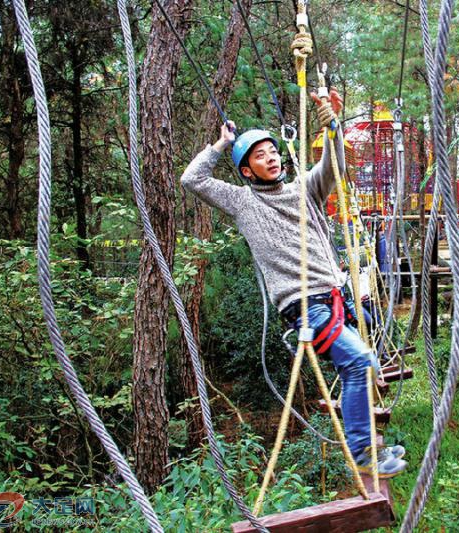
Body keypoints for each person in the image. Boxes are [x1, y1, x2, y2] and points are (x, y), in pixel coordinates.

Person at [179, 87, 408, 479]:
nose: (270, 157)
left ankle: (368, 440)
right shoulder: (243, 202)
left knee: (363, 366)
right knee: (358, 362)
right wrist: (220, 144)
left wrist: (332, 126)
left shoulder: (305, 189)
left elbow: (333, 166)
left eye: (272, 151)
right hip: (304, 306)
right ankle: (363, 454)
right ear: (247, 171)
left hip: (334, 297)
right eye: (259, 156)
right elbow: (192, 179)